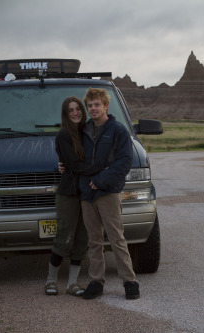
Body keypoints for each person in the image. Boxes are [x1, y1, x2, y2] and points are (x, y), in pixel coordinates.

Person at [78, 87, 139, 300]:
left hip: (108, 193)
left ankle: (130, 282)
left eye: (97, 104)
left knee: (116, 238)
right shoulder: (83, 130)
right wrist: (63, 165)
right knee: (94, 240)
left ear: (106, 106)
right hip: (87, 194)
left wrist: (101, 180)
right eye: (90, 105)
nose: (93, 108)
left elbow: (124, 162)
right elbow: (77, 159)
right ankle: (96, 282)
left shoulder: (117, 130)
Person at [44, 96, 101, 296]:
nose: (75, 112)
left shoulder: (87, 131)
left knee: (81, 239)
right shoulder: (63, 135)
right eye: (71, 110)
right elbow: (75, 165)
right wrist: (100, 168)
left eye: (78, 109)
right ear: (66, 114)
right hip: (68, 194)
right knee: (64, 237)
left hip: (86, 194)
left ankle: (72, 284)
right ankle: (50, 281)